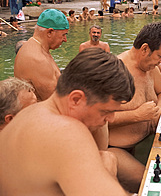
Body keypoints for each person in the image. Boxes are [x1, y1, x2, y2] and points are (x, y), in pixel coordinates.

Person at [1, 48, 135, 195]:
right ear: (76, 99)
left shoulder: (27, 115)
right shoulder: (65, 132)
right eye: (106, 111)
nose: (111, 118)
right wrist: (109, 173)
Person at [109, 22, 161, 190]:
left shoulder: (150, 66)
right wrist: (137, 115)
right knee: (155, 184)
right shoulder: (116, 71)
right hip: (118, 149)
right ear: (145, 49)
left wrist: (158, 109)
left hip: (148, 140)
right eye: (160, 56)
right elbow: (95, 119)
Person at [14, 9, 69, 101]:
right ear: (50, 32)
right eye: (63, 35)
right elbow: (55, 103)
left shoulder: (36, 47)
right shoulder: (37, 60)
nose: (65, 39)